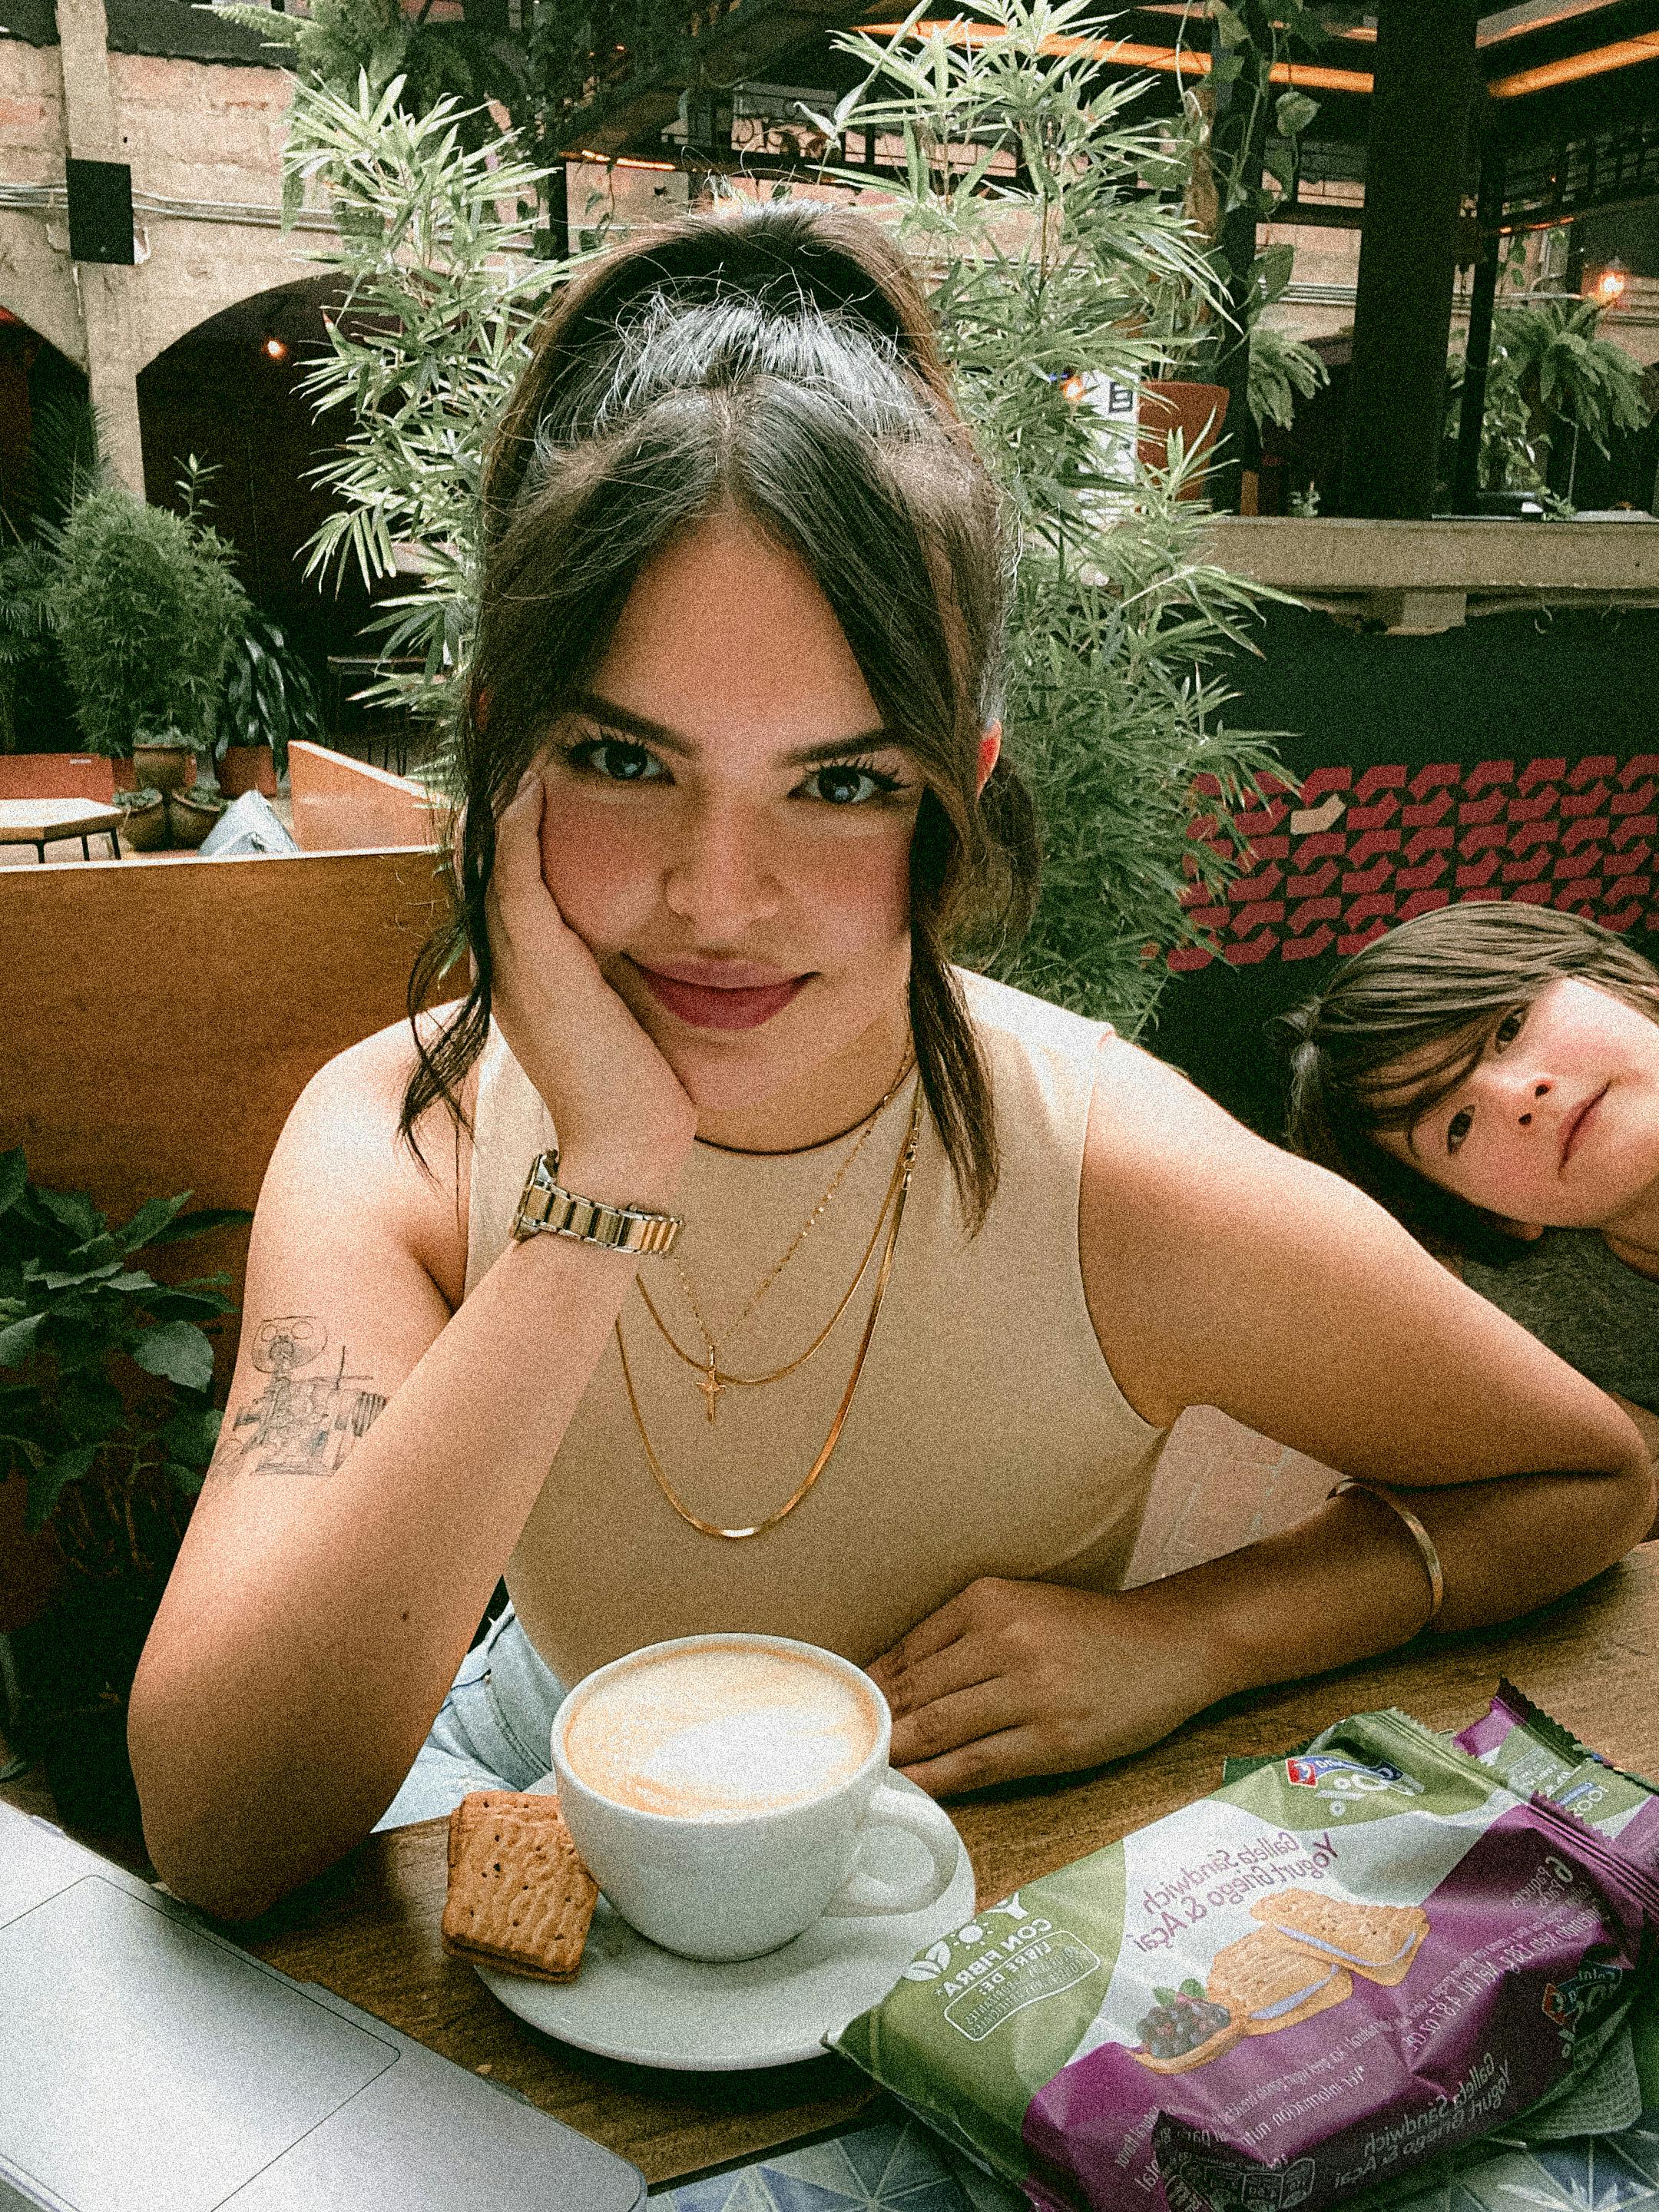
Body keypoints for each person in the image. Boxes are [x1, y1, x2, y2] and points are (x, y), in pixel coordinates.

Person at [129, 204, 1651, 1924]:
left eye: (843, 783)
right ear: (503, 756)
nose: (721, 898)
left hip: (948, 1887)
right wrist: (601, 1187)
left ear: (956, 793)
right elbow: (222, 1826)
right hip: (508, 1741)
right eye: (625, 759)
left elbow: (1584, 1476)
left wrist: (1193, 1640)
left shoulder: (1105, 1171)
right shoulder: (399, 1136)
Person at [1280, 899, 1659, 1447]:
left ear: (1619, 983)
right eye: (1458, 1127)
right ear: (1492, 1215)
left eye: (1509, 1028)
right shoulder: (1527, 1336)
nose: (1517, 1097)